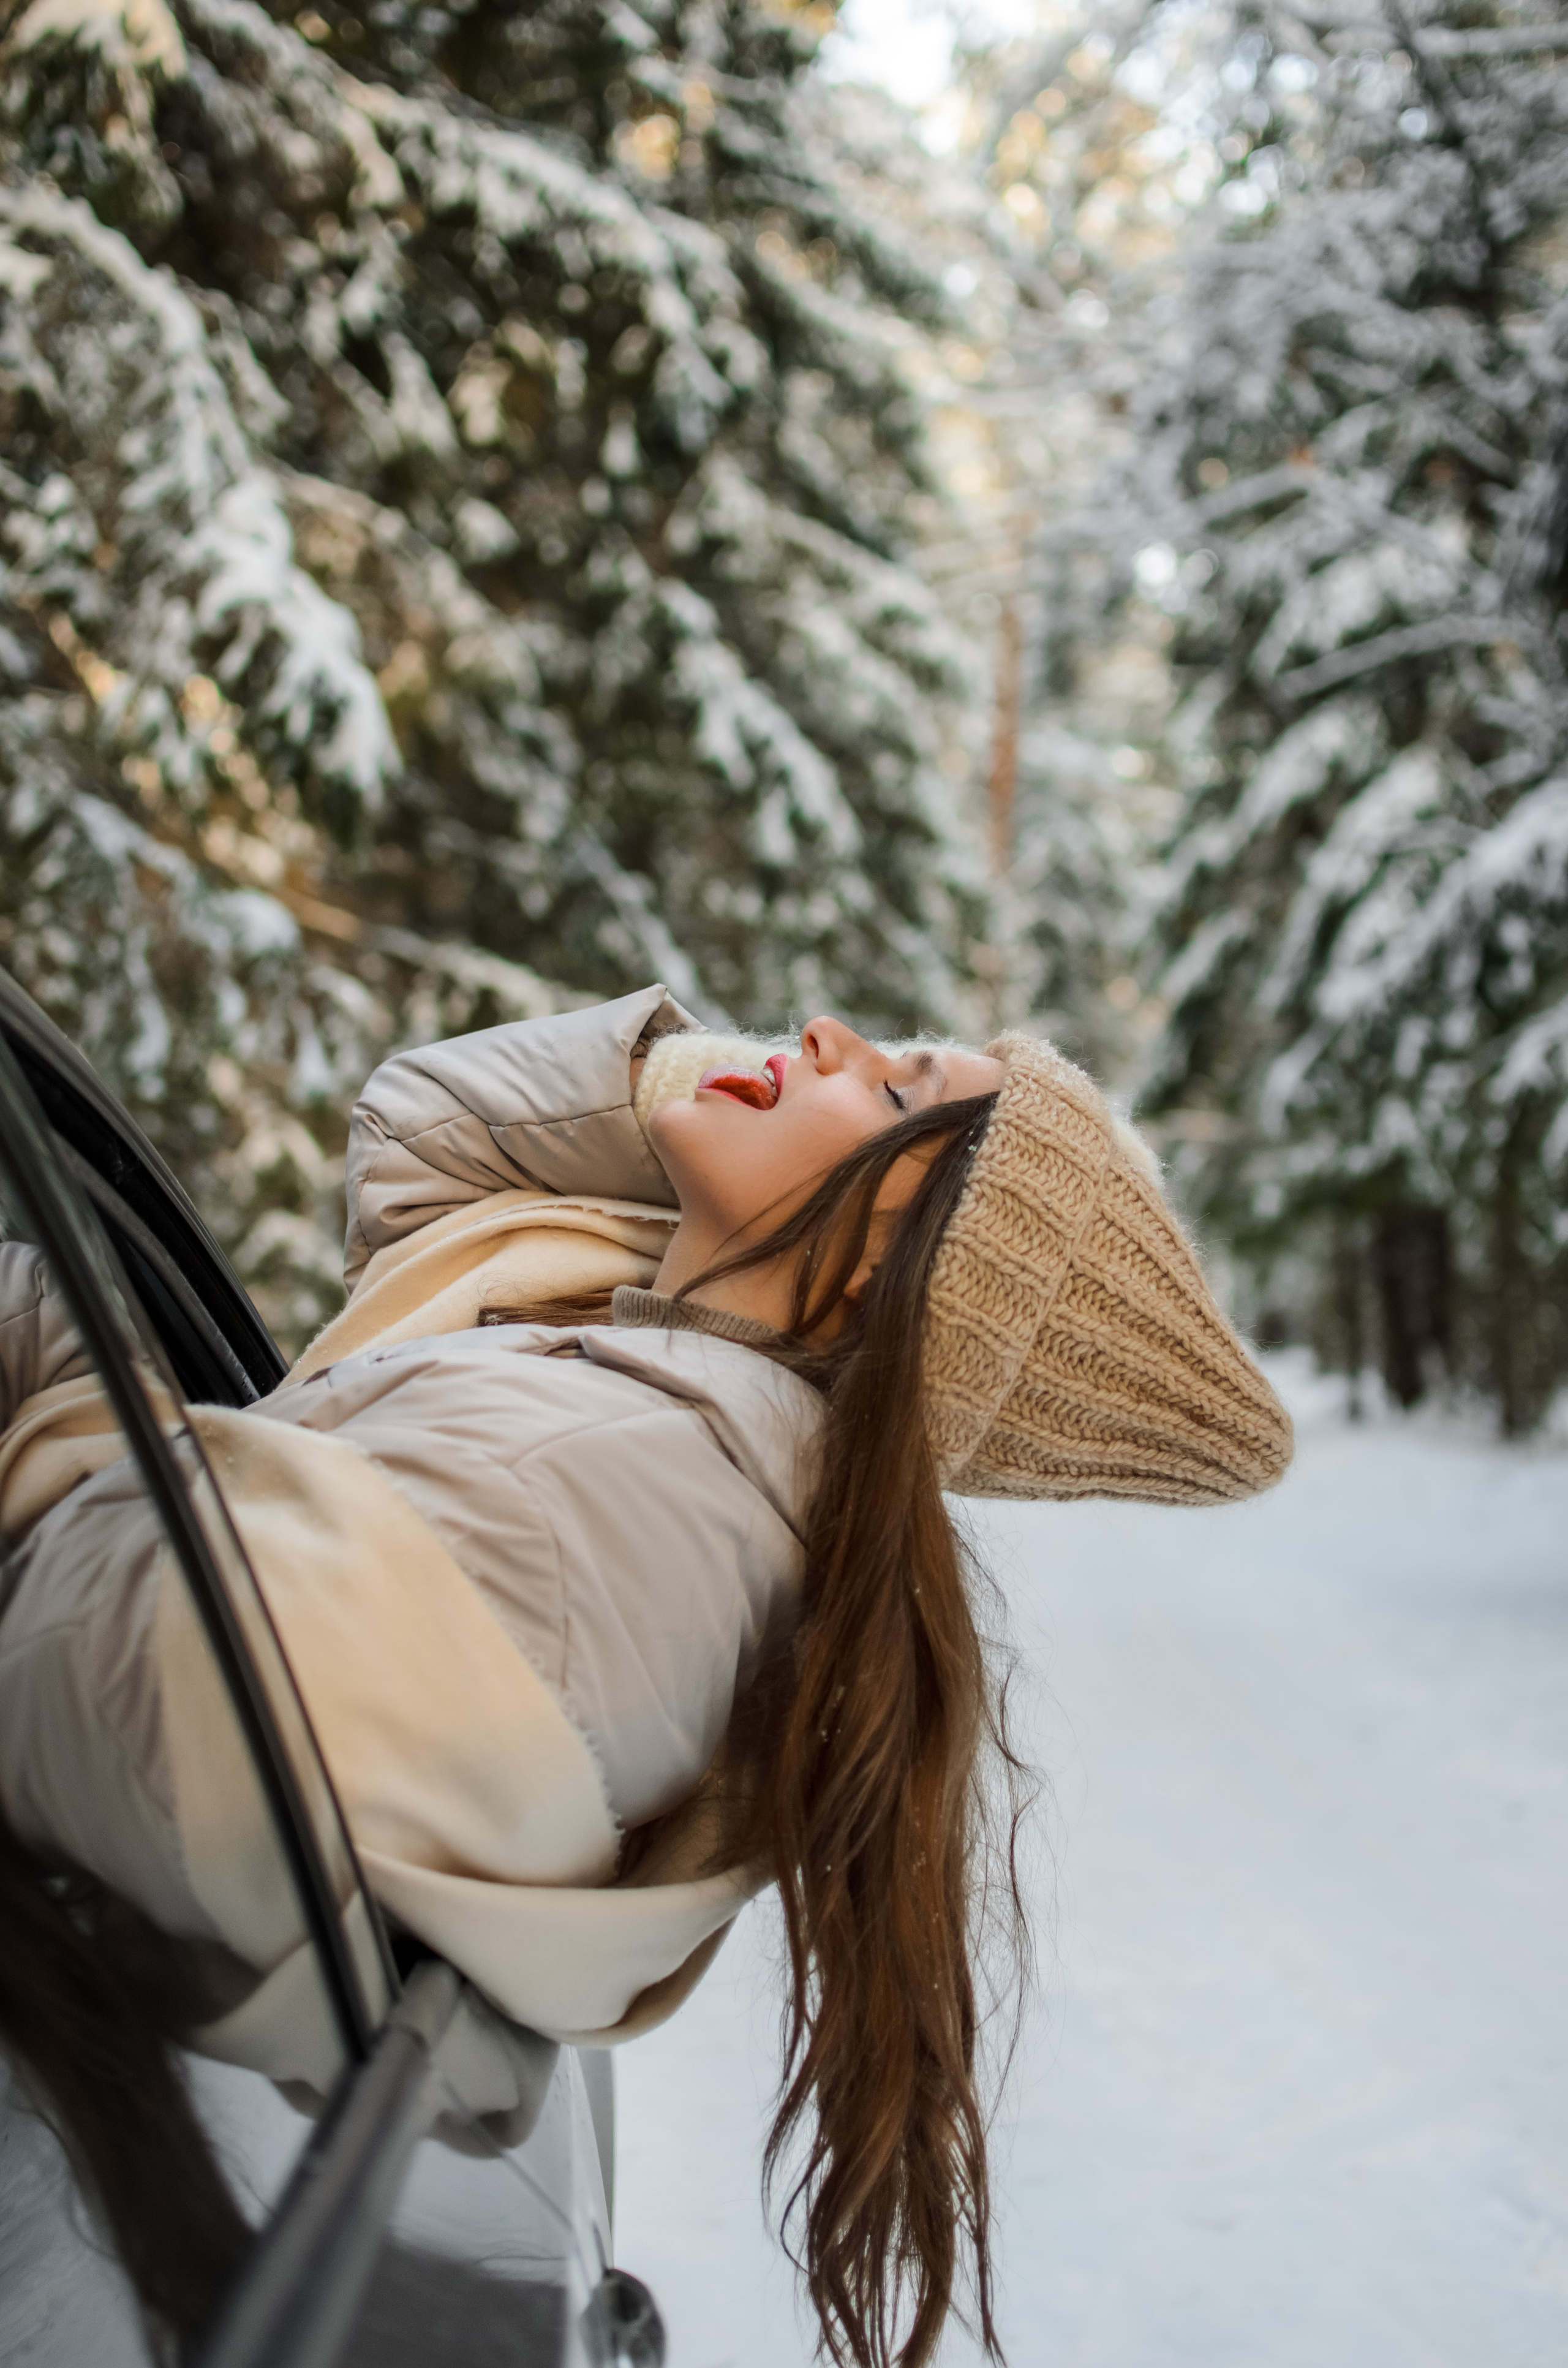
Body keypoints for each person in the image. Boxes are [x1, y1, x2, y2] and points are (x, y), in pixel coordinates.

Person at [0, 984, 1292, 2368]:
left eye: (894, 1085)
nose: (820, 1031)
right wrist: (724, 1099)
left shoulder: (618, 1510)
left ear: (880, 1272)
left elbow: (140, 1711)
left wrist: (58, 1372)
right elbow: (420, 1130)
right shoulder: (629, 1332)